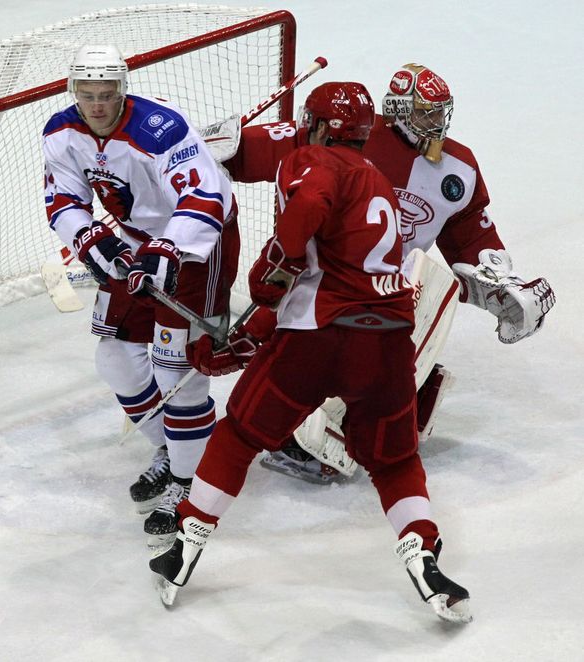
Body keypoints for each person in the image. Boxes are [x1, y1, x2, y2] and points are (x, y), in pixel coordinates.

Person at [149, 82, 472, 623]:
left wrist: (262, 297)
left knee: (240, 434)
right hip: (389, 338)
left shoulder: (314, 160)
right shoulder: (378, 179)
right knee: (394, 460)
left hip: (319, 336)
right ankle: (423, 554)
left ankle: (185, 544)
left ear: (319, 126)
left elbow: (307, 214)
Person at [217, 63, 555, 482]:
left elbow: (469, 240)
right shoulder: (349, 133)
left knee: (424, 285)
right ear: (397, 108)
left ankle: (380, 418)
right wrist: (200, 149)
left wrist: (496, 282)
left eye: (440, 112)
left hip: (387, 292)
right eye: (426, 112)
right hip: (319, 282)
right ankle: (330, 429)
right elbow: (254, 149)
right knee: (282, 362)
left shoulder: (457, 169)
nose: (437, 122)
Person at [42, 45, 239, 543]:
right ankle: (174, 450)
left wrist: (169, 249)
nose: (97, 106)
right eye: (87, 96)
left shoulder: (161, 129)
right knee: (116, 359)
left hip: (197, 245)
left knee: (176, 369)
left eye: (106, 95)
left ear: (122, 91)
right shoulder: (62, 132)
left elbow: (205, 195)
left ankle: (189, 483)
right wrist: (87, 236)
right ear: (74, 93)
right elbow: (63, 197)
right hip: (134, 240)